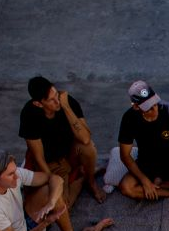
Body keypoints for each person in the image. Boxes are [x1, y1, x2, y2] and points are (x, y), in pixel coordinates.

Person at [20, 75, 106, 207]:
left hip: (70, 152)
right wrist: (52, 180)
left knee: (88, 147)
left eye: (56, 94)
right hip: (51, 162)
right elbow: (38, 157)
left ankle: (91, 181)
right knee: (62, 205)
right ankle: (81, 180)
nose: (57, 101)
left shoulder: (66, 101)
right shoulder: (29, 114)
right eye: (51, 100)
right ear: (38, 103)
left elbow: (85, 138)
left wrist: (66, 107)